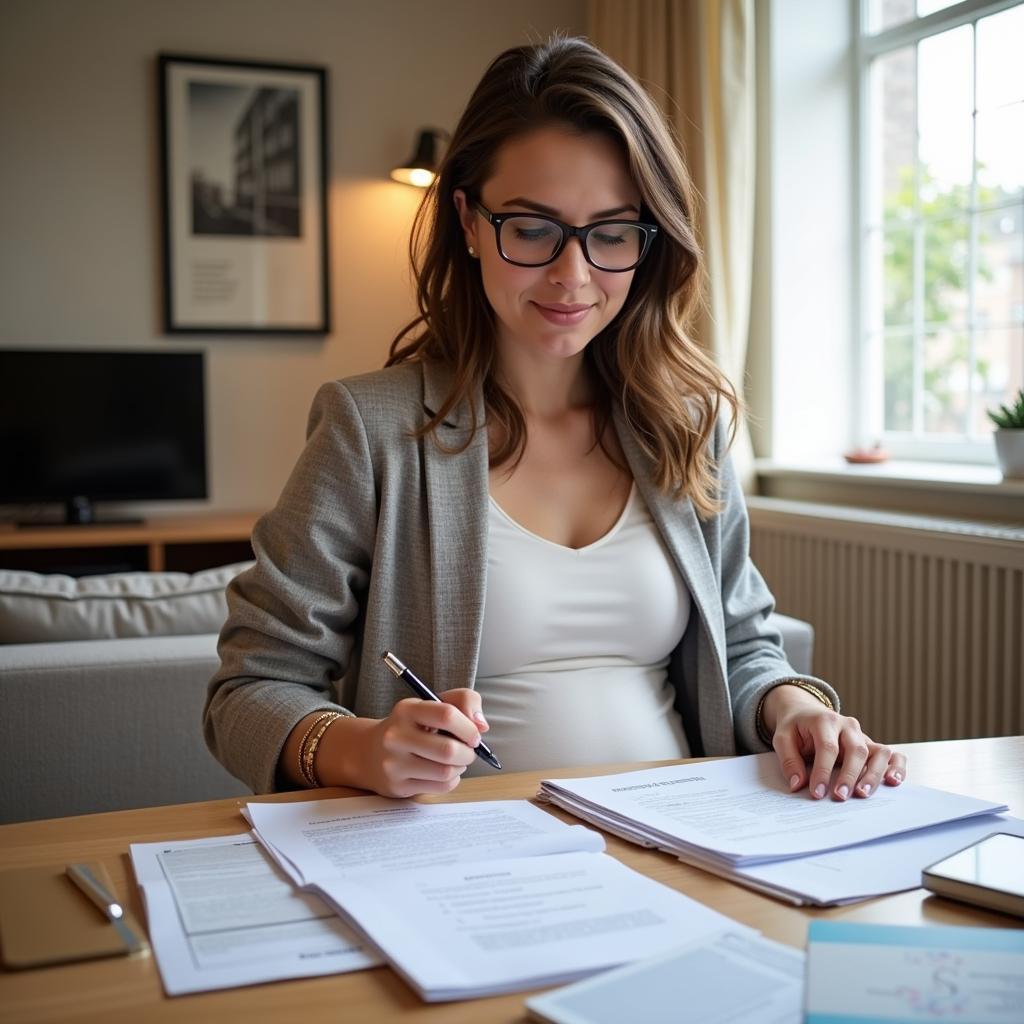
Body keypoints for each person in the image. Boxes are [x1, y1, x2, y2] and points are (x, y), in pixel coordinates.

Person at [204, 35, 906, 803]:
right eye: (534, 229)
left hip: (685, 838)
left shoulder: (684, 423)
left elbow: (739, 646)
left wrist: (794, 707)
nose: (573, 277)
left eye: (610, 234)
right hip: (461, 860)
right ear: (469, 221)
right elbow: (251, 688)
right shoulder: (370, 429)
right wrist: (358, 749)